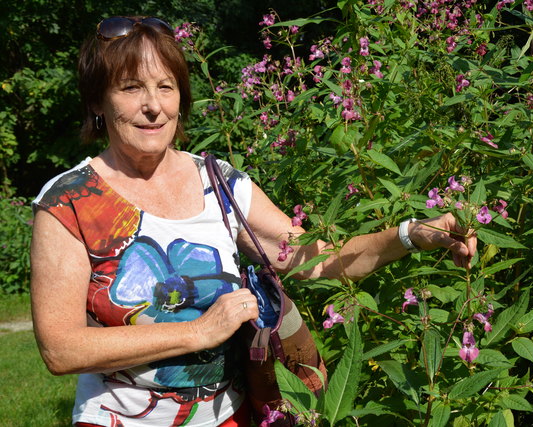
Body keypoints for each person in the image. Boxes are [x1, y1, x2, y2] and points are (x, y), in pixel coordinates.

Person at [29, 16, 477, 427]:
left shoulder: (218, 181)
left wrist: (412, 233)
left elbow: (319, 260)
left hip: (235, 416)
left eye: (166, 87)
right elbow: (61, 348)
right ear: (98, 101)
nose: (153, 106)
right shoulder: (69, 200)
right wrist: (198, 332)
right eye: (130, 88)